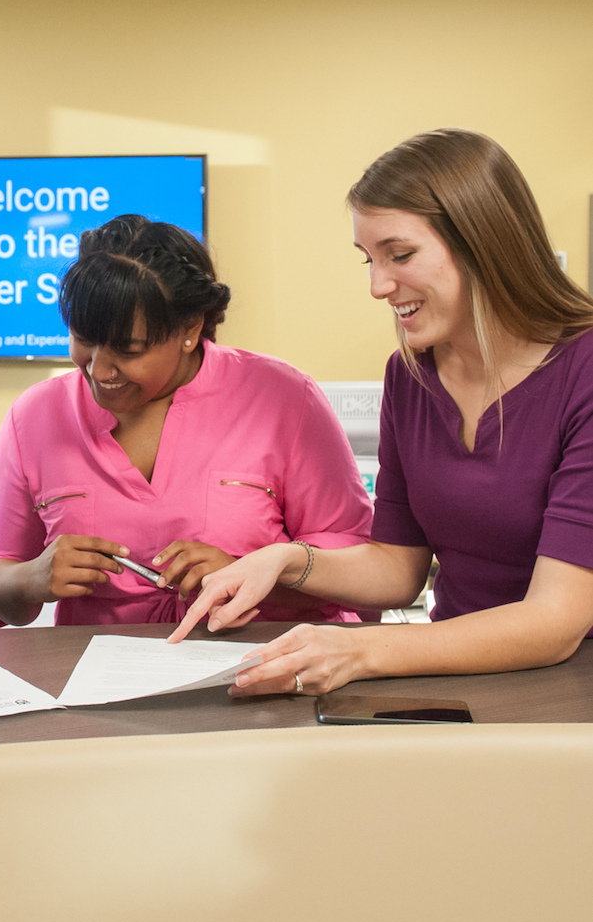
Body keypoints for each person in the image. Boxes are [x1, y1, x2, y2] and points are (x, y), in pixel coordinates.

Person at [170, 128, 593, 696]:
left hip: (569, 690)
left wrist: (359, 649)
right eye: (369, 259)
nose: (377, 285)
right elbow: (399, 567)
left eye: (400, 254)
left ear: (484, 241)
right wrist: (282, 560)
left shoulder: (582, 370)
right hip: (458, 678)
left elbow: (555, 622)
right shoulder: (411, 374)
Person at [0, 214, 372, 628]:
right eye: (84, 339)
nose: (100, 370)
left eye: (129, 349)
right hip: (100, 683)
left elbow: (363, 567)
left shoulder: (283, 398)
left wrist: (256, 573)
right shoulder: (34, 417)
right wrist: (31, 579)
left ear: (190, 329)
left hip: (264, 667)